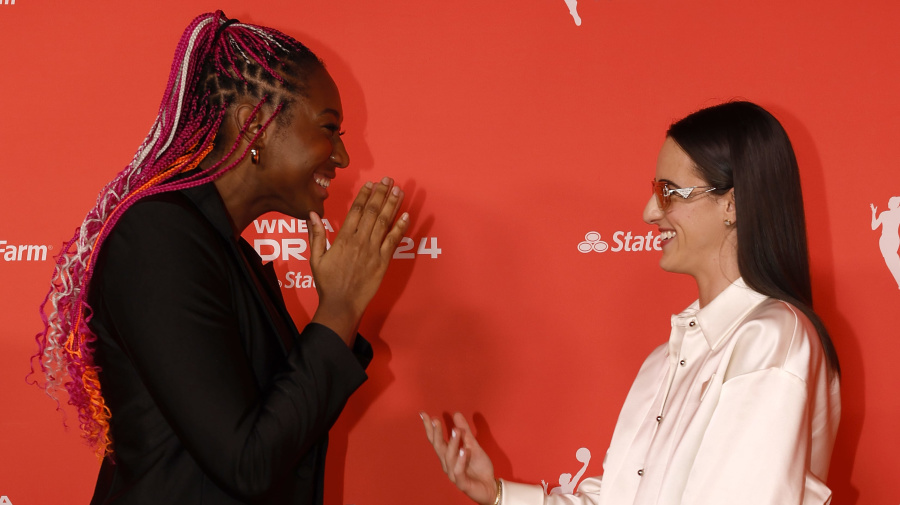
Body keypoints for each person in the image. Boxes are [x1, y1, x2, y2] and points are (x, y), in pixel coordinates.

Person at [30, 11, 409, 505]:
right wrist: (338, 310)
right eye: (329, 128)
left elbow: (280, 440)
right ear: (253, 125)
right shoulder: (158, 236)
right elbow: (246, 462)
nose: (342, 157)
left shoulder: (226, 251)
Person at [421, 101, 841, 505]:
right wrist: (499, 495)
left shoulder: (770, 338)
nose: (649, 212)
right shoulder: (664, 360)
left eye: (669, 192)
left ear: (732, 203)